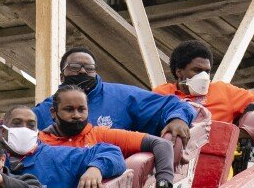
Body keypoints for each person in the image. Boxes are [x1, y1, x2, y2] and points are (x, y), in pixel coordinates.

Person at [39, 84, 177, 188]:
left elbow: (161, 144)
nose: (76, 115)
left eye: (81, 109)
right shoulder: (38, 143)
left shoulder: (101, 135)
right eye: (69, 109)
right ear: (53, 112)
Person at [33, 47, 196, 143]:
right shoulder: (44, 109)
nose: (83, 71)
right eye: (75, 67)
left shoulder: (124, 97)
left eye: (89, 68)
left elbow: (176, 105)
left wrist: (178, 119)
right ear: (62, 75)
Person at [153, 40, 254, 124]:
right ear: (179, 71)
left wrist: (252, 111)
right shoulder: (161, 94)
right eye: (197, 70)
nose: (204, 76)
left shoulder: (222, 91)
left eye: (207, 71)